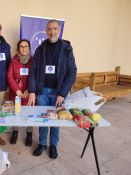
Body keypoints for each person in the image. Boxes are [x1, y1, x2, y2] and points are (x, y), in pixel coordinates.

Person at [28, 20, 77, 159]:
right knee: (43, 119)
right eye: (49, 29)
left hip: (58, 92)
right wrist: (32, 91)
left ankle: (53, 145)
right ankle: (42, 143)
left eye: (55, 28)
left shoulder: (67, 48)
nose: (52, 31)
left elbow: (72, 72)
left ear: (59, 30)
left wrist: (62, 93)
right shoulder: (40, 48)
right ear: (45, 30)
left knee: (56, 120)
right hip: (42, 91)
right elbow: (33, 70)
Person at [7, 39, 33, 146]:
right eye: (21, 46)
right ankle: (15, 132)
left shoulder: (33, 61)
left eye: (26, 46)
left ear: (29, 48)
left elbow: (34, 77)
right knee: (16, 113)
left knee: (29, 114)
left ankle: (29, 134)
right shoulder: (13, 60)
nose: (24, 48)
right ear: (18, 48)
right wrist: (17, 90)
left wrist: (29, 90)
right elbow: (9, 76)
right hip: (16, 93)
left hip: (28, 94)